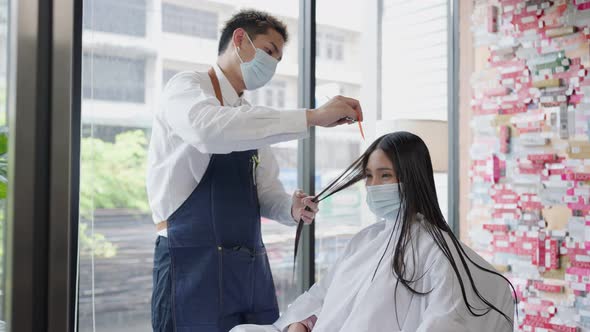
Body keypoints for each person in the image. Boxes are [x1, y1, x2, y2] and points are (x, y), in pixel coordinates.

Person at [146, 9, 363, 332]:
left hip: (248, 273)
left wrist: (291, 207)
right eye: (269, 50)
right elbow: (209, 131)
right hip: (192, 267)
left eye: (278, 58)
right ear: (239, 40)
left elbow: (266, 194)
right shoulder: (187, 87)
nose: (273, 64)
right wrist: (313, 116)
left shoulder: (249, 118)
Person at [230, 132, 516, 332]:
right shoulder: (364, 240)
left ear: (412, 177)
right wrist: (299, 322)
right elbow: (321, 296)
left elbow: (445, 320)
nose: (374, 185)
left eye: (385, 175)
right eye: (369, 176)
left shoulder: (435, 250)